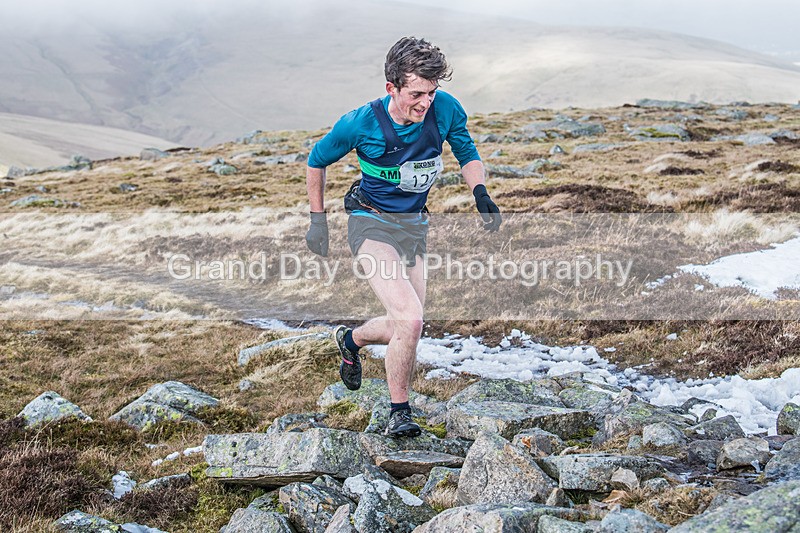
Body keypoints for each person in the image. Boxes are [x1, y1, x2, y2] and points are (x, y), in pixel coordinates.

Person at [304, 36, 501, 438]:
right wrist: (317, 220)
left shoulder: (445, 109)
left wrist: (480, 193)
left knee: (405, 326)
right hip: (370, 222)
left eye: (431, 92)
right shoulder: (360, 123)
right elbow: (316, 161)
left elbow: (467, 152)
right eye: (416, 93)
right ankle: (399, 411)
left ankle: (351, 339)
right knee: (410, 319)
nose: (425, 102)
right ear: (391, 87)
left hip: (414, 225)